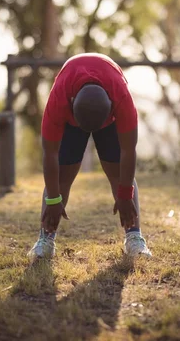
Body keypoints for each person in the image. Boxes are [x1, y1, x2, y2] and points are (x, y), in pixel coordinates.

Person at [27, 53, 152, 260]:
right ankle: (46, 239)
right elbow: (50, 153)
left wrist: (125, 194)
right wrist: (53, 200)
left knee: (118, 173)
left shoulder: (121, 97)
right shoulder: (59, 98)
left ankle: (134, 238)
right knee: (61, 178)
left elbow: (129, 150)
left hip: (108, 116)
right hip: (71, 117)